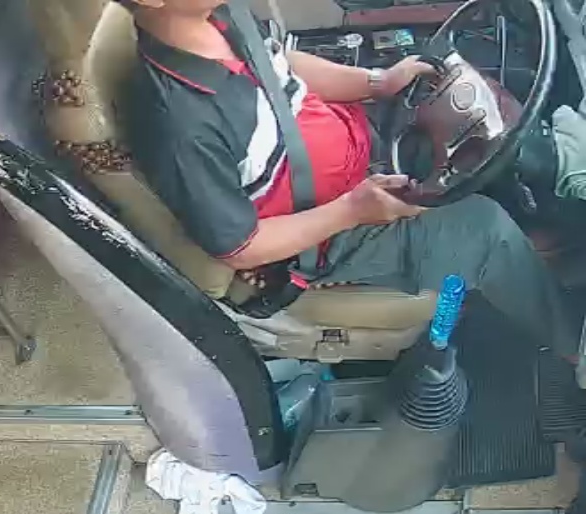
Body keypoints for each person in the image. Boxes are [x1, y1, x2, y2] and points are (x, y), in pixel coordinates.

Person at [120, 0, 582, 368]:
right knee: (483, 229)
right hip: (327, 235)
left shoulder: (219, 15)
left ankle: (538, 245)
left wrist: (378, 82)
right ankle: (571, 343)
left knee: (492, 123)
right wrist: (353, 210)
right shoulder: (177, 123)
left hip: (364, 147)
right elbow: (240, 247)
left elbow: (282, 63)